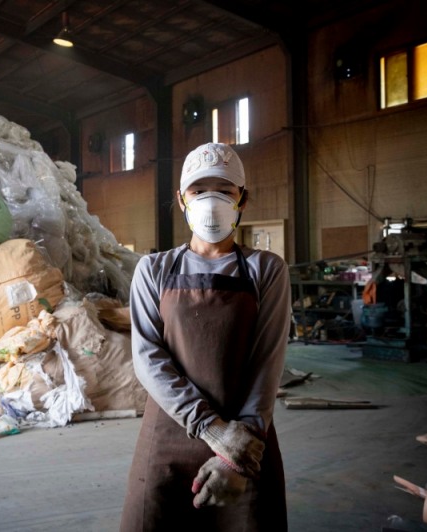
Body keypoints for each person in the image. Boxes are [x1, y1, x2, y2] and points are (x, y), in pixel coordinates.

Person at [120, 142, 291, 531]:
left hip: (246, 439)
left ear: (242, 200)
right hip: (168, 438)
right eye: (199, 191)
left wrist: (236, 456)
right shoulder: (153, 269)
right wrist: (214, 431)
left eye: (224, 190)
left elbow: (267, 364)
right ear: (182, 200)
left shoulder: (266, 269)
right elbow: (148, 360)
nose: (210, 200)